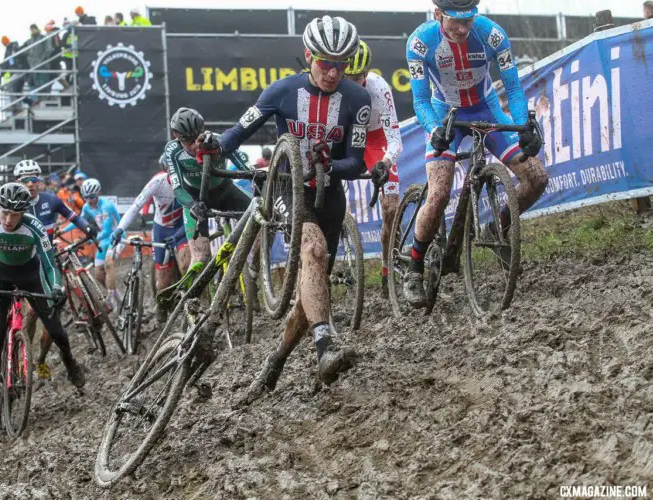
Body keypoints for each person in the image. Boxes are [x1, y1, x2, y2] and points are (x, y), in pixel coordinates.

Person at [202, 16, 370, 400]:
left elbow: (356, 161)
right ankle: (326, 346)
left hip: (329, 191)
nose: (333, 72)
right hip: (287, 187)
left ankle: (274, 363)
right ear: (309, 56)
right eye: (326, 62)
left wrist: (329, 165)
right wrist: (214, 145)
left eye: (341, 65)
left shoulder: (358, 100)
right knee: (312, 251)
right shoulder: (282, 91)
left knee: (314, 288)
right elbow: (237, 133)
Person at [404, 0, 547, 307]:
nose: (463, 28)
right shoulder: (419, 42)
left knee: (536, 177)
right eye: (456, 21)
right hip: (446, 116)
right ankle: (414, 267)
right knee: (439, 193)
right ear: (438, 15)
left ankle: (498, 227)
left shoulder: (492, 35)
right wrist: (433, 129)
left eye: (469, 20)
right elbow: (419, 101)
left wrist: (524, 127)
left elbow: (514, 88)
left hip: (487, 108)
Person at [0, 183, 85, 420]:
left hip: (30, 275)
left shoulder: (34, 227)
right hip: (0, 275)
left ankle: (70, 363)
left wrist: (56, 287)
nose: (7, 219)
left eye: (14, 215)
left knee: (56, 329)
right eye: (4, 212)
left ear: (23, 213)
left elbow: (49, 264)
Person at [14, 160, 95, 380]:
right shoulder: (13, 204)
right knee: (30, 314)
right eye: (25, 180)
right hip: (24, 267)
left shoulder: (50, 200)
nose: (31, 184)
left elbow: (73, 216)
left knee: (51, 320)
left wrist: (87, 226)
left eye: (35, 179)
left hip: (48, 265)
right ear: (17, 182)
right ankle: (23, 359)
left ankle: (40, 360)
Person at [345, 39, 403, 299]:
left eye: (359, 78)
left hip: (377, 139)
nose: (353, 84)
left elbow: (395, 140)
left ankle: (386, 267)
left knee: (390, 206)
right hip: (348, 138)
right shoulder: (334, 88)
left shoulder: (379, 87)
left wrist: (387, 162)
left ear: (366, 74)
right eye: (349, 78)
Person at [165, 107, 252, 272]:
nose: (192, 146)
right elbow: (177, 188)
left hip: (225, 192)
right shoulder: (173, 151)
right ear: (176, 136)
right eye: (187, 141)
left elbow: (246, 168)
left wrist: (259, 179)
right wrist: (191, 205)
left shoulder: (217, 141)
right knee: (201, 257)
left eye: (195, 139)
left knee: (259, 212)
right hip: (195, 199)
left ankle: (254, 266)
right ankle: (190, 295)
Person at [110, 170, 190, 324]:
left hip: (182, 227)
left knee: (187, 264)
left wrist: (179, 234)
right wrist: (120, 228)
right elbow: (136, 205)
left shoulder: (189, 180)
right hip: (162, 229)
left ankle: (190, 301)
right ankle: (162, 305)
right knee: (163, 281)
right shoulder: (158, 182)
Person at [58, 179, 121, 307]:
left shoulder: (106, 206)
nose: (88, 200)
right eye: (85, 197)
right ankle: (116, 294)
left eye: (92, 197)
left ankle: (111, 295)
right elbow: (79, 221)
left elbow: (108, 231)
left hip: (117, 237)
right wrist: (62, 230)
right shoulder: (87, 207)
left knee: (108, 264)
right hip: (103, 240)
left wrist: (89, 241)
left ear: (98, 193)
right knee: (98, 274)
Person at [0, 36, 29, 109]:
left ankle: (14, 106)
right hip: (14, 73)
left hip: (20, 71)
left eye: (5, 43)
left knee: (10, 85)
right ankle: (28, 102)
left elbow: (18, 51)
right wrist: (0, 76)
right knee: (18, 93)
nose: (5, 44)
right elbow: (5, 64)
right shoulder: (7, 52)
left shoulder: (14, 46)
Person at [26, 24, 51, 104]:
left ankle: (45, 99)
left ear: (37, 29)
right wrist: (30, 61)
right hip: (34, 66)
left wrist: (41, 59)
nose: (32, 31)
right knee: (37, 83)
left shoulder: (43, 38)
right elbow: (29, 52)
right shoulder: (30, 41)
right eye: (31, 29)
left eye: (34, 29)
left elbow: (48, 50)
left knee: (43, 82)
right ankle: (39, 99)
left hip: (42, 65)